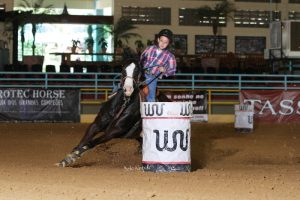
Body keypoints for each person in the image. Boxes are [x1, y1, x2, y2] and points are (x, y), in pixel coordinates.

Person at [140, 29, 177, 102]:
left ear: (168, 43)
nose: (162, 44)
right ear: (158, 39)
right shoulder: (150, 48)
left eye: (165, 42)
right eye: (161, 41)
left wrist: (164, 70)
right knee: (126, 84)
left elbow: (173, 70)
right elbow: (141, 58)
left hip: (152, 77)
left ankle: (150, 109)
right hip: (141, 73)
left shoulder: (170, 56)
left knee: (151, 97)